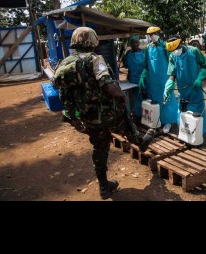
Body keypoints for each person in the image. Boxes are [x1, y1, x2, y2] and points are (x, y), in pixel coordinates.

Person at [53, 27, 143, 200]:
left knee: (99, 147)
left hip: (88, 118)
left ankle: (103, 186)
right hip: (108, 114)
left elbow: (64, 94)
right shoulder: (95, 59)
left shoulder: (65, 63)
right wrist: (122, 96)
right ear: (92, 41)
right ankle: (141, 142)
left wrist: (73, 118)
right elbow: (107, 84)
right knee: (127, 124)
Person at [163, 36, 206, 136]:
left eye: (175, 49)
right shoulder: (172, 56)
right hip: (182, 90)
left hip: (195, 89)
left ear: (180, 44)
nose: (174, 52)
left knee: (197, 114)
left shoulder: (194, 51)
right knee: (183, 113)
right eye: (172, 50)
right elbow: (172, 73)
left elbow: (204, 67)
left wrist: (199, 78)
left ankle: (199, 135)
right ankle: (185, 134)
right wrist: (169, 84)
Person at [138, 26, 178, 133]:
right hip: (153, 81)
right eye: (150, 35)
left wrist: (172, 79)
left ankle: (168, 122)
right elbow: (146, 65)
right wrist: (142, 76)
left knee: (167, 101)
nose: (152, 36)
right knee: (155, 102)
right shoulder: (148, 48)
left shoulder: (165, 46)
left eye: (154, 33)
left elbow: (172, 63)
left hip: (164, 79)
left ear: (158, 33)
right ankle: (157, 121)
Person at [123, 36, 146, 121]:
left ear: (139, 43)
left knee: (144, 95)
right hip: (133, 78)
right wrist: (127, 79)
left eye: (136, 42)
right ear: (130, 44)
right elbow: (127, 66)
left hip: (143, 78)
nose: (135, 44)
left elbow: (147, 65)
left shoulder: (143, 52)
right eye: (133, 42)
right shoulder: (129, 53)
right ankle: (136, 114)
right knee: (134, 97)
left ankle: (145, 114)